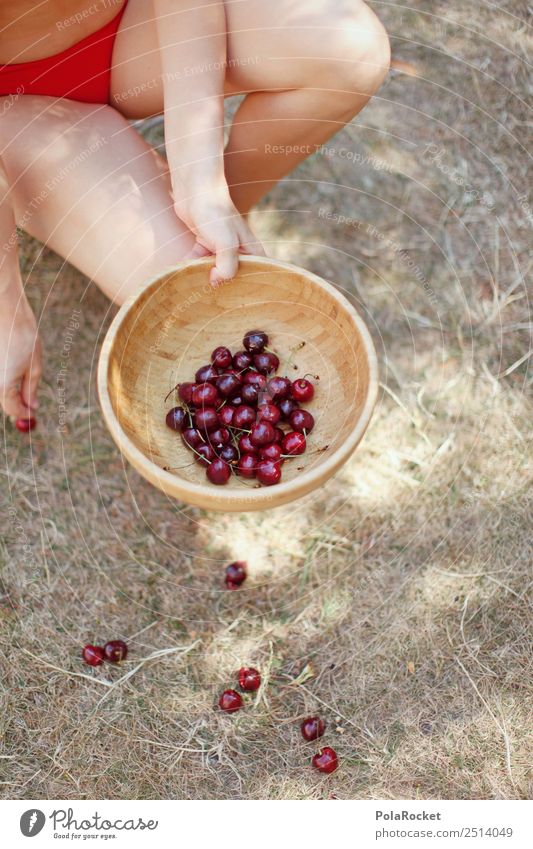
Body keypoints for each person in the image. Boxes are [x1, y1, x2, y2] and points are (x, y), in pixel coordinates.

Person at [0, 0, 390, 421]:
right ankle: (179, 234)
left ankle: (213, 224)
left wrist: (199, 177)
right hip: (12, 98)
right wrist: (6, 308)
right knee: (192, 305)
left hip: (130, 28)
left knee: (349, 49)